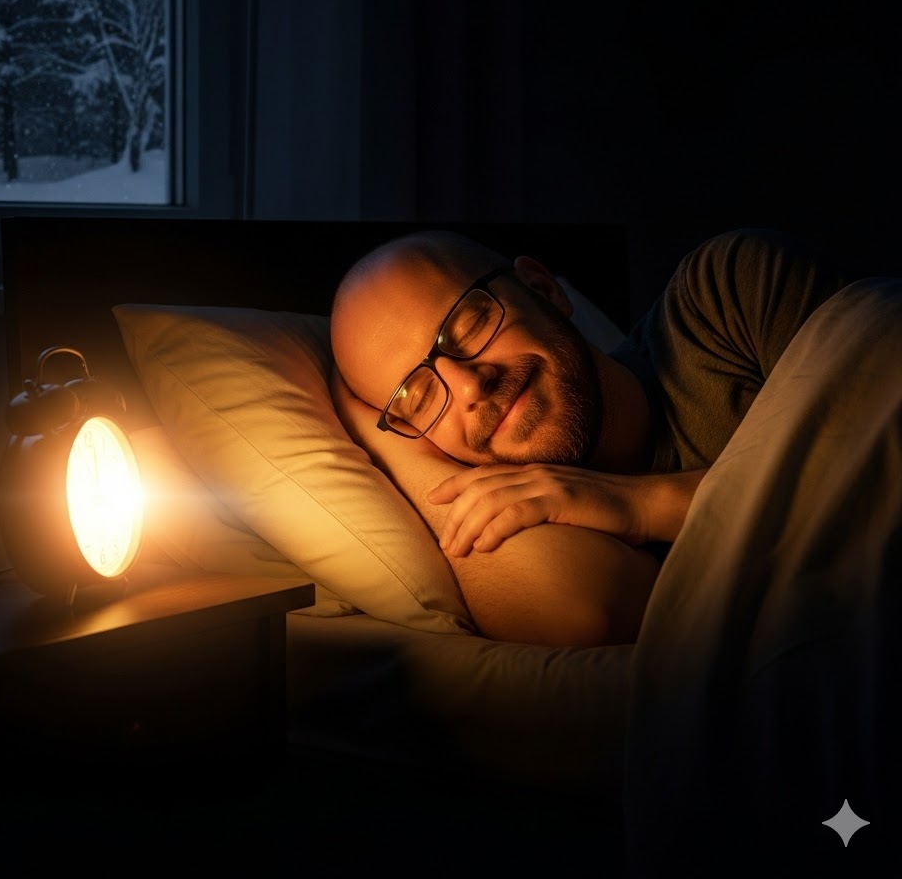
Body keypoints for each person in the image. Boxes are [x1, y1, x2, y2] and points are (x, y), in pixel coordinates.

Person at [329, 226, 849, 648]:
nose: (469, 385)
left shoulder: (729, 297)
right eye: (419, 398)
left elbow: (874, 471)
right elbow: (585, 614)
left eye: (467, 326)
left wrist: (642, 504)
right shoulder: (531, 524)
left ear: (543, 290)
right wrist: (384, 446)